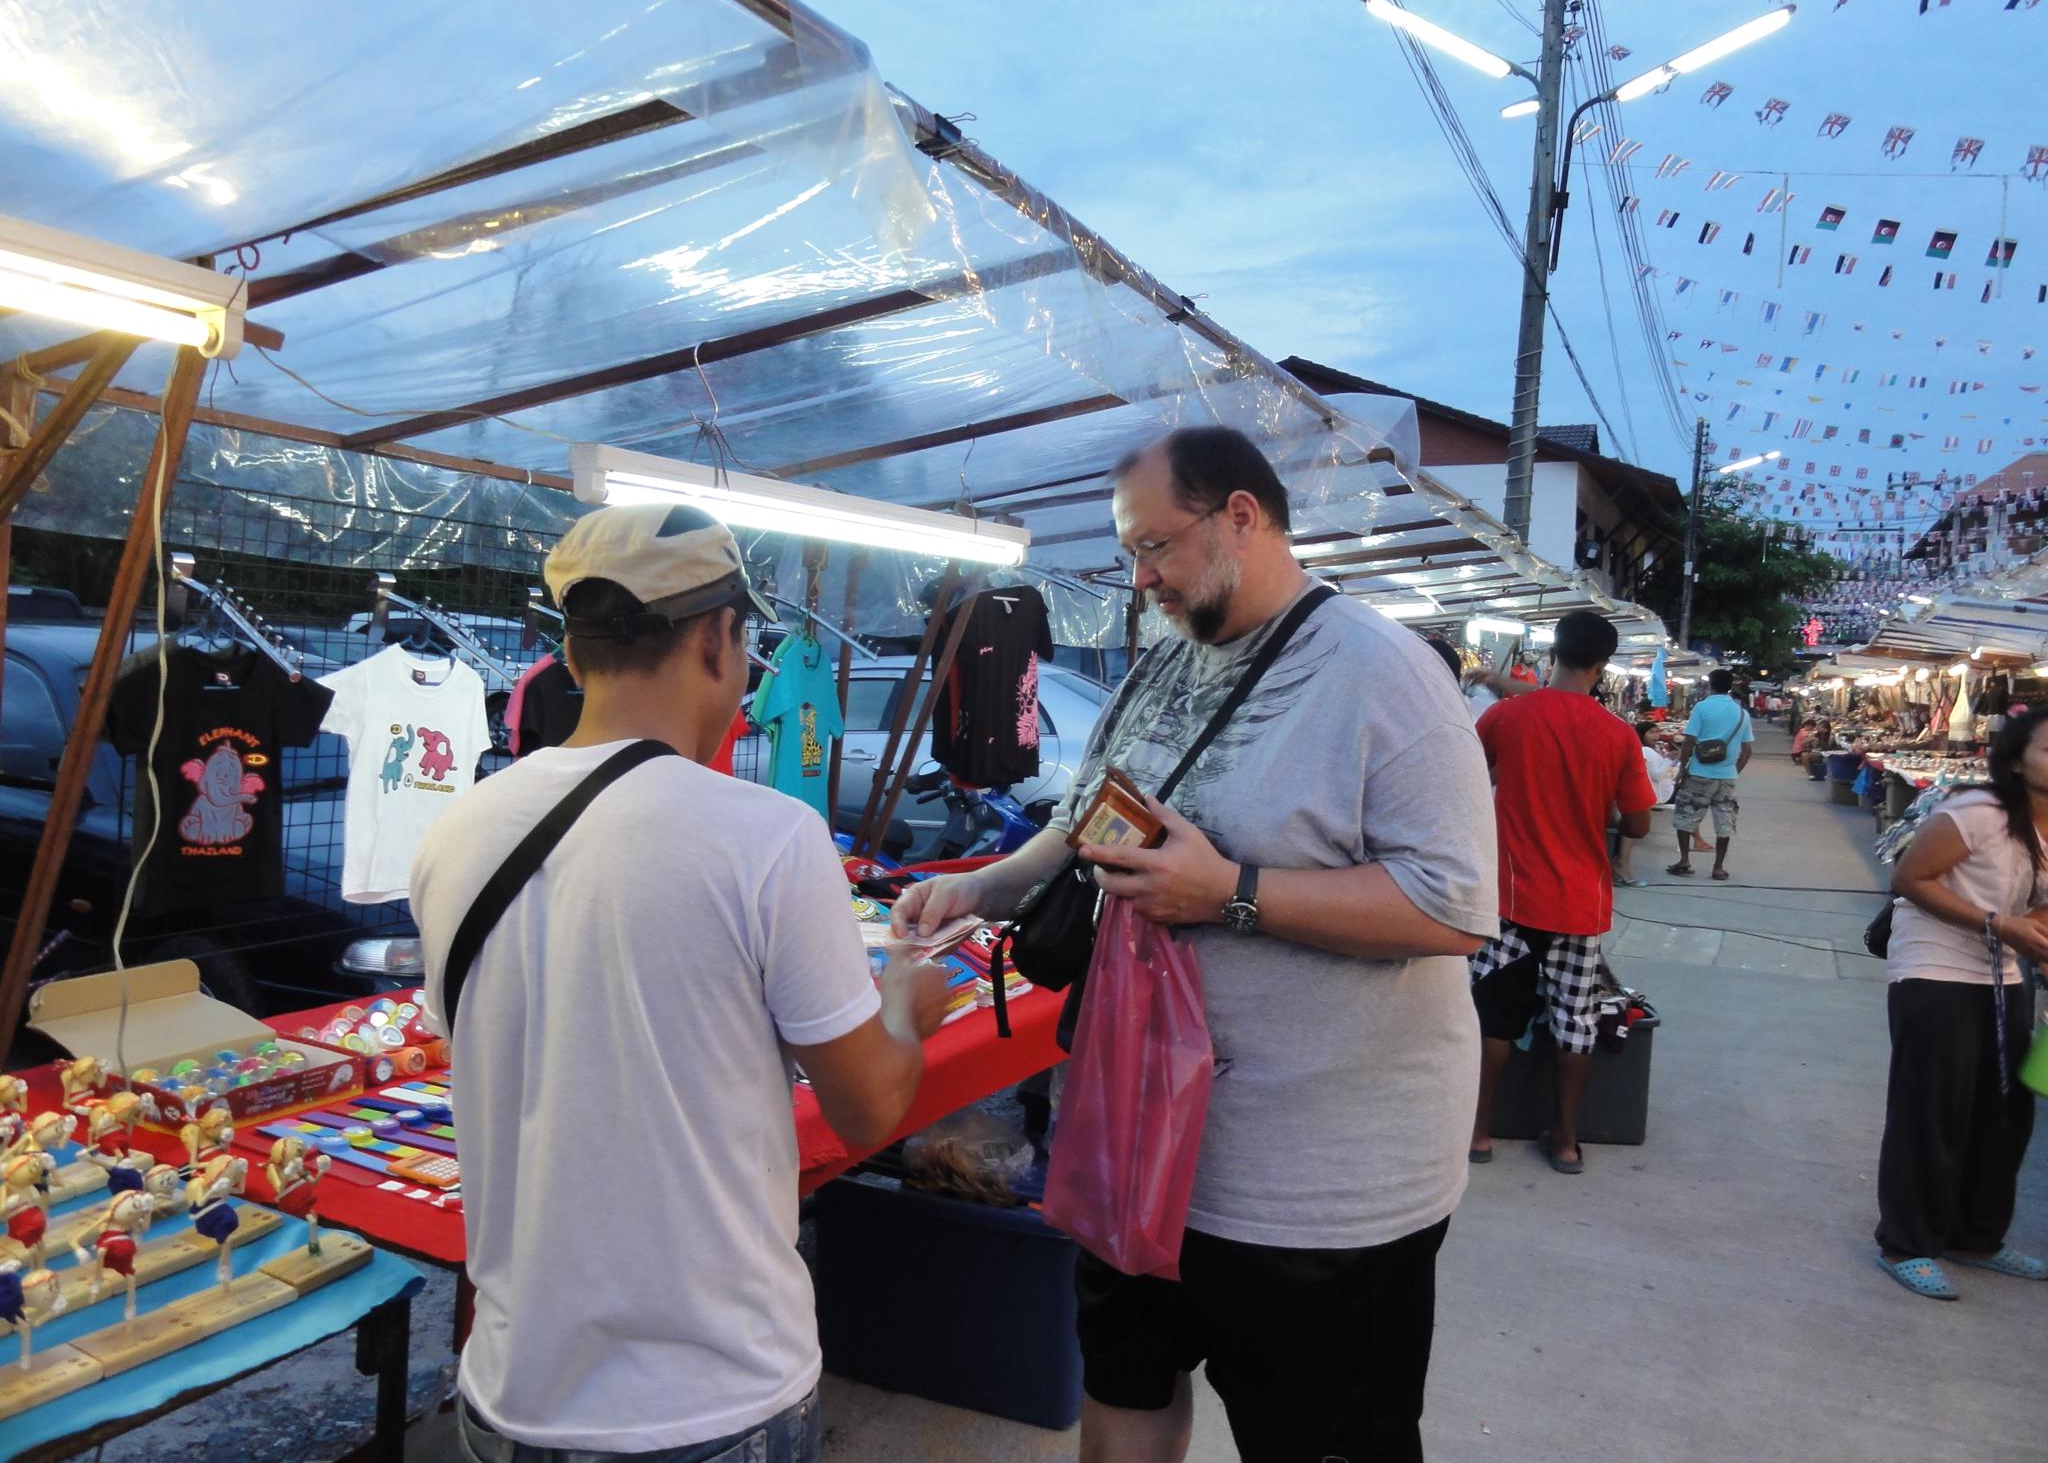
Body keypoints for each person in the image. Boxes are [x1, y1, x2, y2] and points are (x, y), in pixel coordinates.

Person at [893, 427, 1498, 1463]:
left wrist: (1232, 895)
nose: (1140, 578)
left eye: (1154, 546)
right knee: (1124, 1386)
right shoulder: (1166, 663)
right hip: (1138, 1141)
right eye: (1129, 553)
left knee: (1317, 1436)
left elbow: (1452, 909)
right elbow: (1089, 814)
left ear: (1240, 517)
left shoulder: (1384, 673)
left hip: (1316, 1185)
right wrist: (985, 885)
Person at [412, 503, 949, 1462]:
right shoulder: (769, 839)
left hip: (509, 1393)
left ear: (573, 655)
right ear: (718, 638)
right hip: (713, 1401)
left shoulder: (456, 830)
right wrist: (906, 1010)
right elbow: (867, 1106)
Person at [1467, 612, 1656, 1175]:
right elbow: (1639, 824)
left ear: (1553, 655)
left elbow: (1468, 783)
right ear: (1602, 667)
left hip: (1509, 900)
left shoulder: (1506, 717)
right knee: (1575, 1020)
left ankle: (1478, 1134)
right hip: (1580, 904)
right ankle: (1566, 1141)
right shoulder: (1618, 734)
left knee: (1495, 1016)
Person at [1875, 703, 2048, 1299]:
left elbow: (2038, 909)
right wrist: (1998, 924)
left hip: (2004, 976)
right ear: (2018, 761)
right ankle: (1906, 1242)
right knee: (1932, 1109)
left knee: (2005, 1113)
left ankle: (1976, 1237)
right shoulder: (1978, 812)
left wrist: (2033, 940)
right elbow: (1910, 880)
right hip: (1934, 969)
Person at [1668, 668, 1755, 881]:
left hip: (1699, 773)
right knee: (1724, 821)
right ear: (1730, 686)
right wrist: (1733, 771)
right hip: (1726, 776)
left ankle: (1684, 860)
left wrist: (1683, 768)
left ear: (1710, 685)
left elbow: (1689, 741)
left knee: (1686, 817)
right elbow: (1747, 751)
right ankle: (1718, 867)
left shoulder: (1702, 707)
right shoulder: (1742, 713)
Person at [1614, 721, 1678, 888]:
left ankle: (1622, 864)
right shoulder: (1646, 751)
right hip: (1649, 794)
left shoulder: (1649, 750)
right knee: (1633, 831)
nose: (1655, 736)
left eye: (1657, 732)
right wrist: (1668, 760)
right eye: (1651, 732)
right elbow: (1656, 773)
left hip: (1650, 793)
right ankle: (1622, 865)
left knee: (1633, 831)